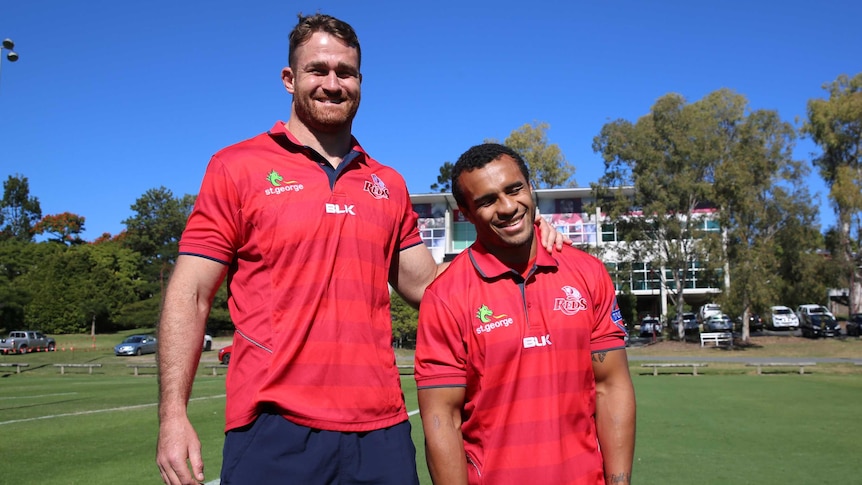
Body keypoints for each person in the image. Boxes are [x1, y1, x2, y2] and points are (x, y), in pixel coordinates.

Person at [155, 14, 568, 485]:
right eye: (318, 70)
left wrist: (517, 240)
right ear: (290, 79)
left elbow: (431, 288)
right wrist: (172, 414)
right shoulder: (237, 166)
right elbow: (191, 294)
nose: (333, 83)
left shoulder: (387, 184)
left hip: (382, 432)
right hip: (273, 426)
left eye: (345, 72)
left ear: (360, 82)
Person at [414, 143, 636, 484]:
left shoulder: (588, 273)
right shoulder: (445, 297)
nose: (507, 207)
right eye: (487, 200)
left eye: (514, 189)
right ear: (466, 212)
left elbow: (612, 386)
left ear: (531, 188)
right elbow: (442, 418)